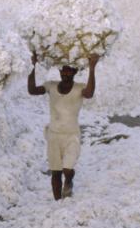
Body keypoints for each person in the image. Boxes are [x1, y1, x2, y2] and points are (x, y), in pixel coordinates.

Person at [27, 51, 99, 200]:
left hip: (72, 135)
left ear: (74, 72)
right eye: (63, 70)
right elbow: (32, 90)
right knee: (55, 172)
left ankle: (70, 180)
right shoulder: (51, 86)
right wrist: (32, 65)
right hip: (54, 135)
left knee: (67, 168)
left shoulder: (79, 88)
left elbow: (90, 93)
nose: (65, 73)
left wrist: (92, 68)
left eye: (69, 71)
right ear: (59, 71)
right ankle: (57, 202)